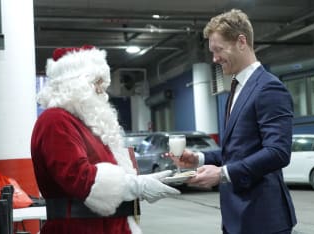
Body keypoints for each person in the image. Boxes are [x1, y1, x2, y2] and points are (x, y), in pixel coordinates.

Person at [169, 9, 297, 234]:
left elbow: (278, 152)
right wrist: (198, 158)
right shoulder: (236, 88)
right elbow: (238, 150)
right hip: (236, 217)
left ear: (241, 42)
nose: (214, 58)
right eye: (212, 51)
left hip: (263, 219)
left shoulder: (269, 87)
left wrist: (221, 174)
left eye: (218, 50)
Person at [31, 45, 180, 234]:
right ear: (75, 83)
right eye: (98, 82)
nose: (103, 90)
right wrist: (138, 186)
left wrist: (140, 181)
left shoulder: (87, 124)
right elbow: (80, 179)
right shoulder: (55, 121)